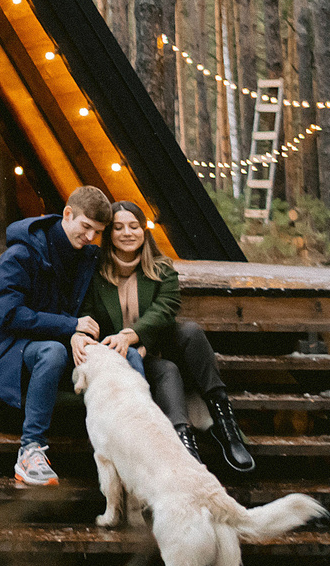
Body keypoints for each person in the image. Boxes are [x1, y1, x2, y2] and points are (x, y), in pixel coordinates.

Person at [84, 200, 254, 472]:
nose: (127, 233)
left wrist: (136, 336)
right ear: (109, 234)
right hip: (121, 356)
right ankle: (186, 450)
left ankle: (226, 427)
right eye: (118, 228)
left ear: (144, 230)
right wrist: (126, 345)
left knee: (190, 331)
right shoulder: (95, 271)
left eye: (134, 226)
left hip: (158, 344)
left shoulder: (162, 268)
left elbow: (166, 310)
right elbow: (91, 317)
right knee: (167, 370)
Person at [0, 186, 113, 486]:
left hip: (62, 348)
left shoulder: (87, 257)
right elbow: (9, 314)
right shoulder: (20, 254)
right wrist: (70, 327)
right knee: (52, 351)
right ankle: (30, 450)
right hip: (11, 353)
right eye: (86, 227)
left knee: (123, 355)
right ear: (68, 214)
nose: (91, 237)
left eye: (98, 232)